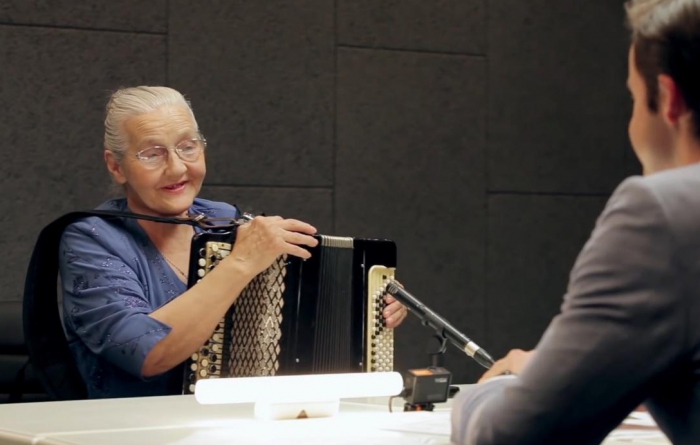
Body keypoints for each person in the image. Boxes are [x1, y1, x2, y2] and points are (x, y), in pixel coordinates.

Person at [451, 0, 700, 444]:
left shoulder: (662, 213)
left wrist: (498, 388)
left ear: (669, 99)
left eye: (632, 99)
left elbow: (507, 438)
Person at [59, 86, 408, 399]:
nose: (177, 168)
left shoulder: (225, 219)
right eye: (152, 153)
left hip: (231, 422)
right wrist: (240, 263)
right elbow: (146, 352)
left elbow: (289, 311)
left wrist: (368, 303)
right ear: (116, 166)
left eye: (188, 147)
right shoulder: (92, 239)